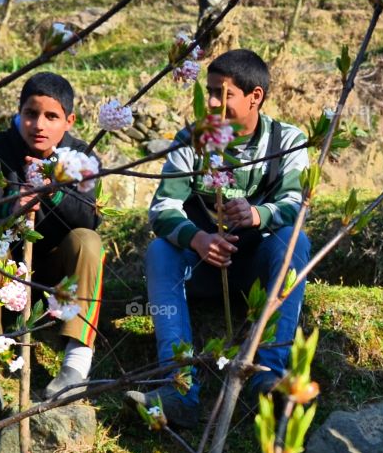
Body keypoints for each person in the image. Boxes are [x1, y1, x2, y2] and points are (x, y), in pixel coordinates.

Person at [125, 49, 311, 427]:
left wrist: (259, 214)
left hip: (258, 267)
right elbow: (162, 208)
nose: (210, 102)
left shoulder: (288, 140)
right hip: (203, 268)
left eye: (221, 94)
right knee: (161, 251)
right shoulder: (191, 140)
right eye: (208, 92)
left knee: (295, 240)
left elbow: (296, 201)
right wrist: (196, 239)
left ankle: (267, 374)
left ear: (254, 97)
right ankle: (178, 386)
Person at [0, 72, 103, 414]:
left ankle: (76, 365)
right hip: (6, 271)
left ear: (69, 121)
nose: (39, 124)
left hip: (56, 274)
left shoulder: (79, 157)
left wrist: (51, 194)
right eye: (31, 113)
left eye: (51, 117)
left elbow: (89, 217)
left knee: (88, 240)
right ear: (19, 112)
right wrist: (12, 208)